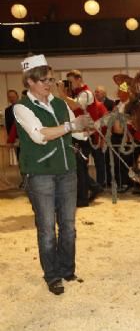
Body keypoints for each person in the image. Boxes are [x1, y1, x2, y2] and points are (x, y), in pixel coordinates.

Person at [13, 54, 94, 295]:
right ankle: (52, 275)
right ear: (29, 81)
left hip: (67, 170)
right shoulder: (21, 107)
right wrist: (72, 126)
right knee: (47, 228)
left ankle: (67, 269)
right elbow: (40, 135)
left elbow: (77, 134)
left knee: (68, 225)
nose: (47, 84)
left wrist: (90, 127)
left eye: (49, 79)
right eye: (41, 80)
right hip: (40, 174)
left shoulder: (60, 104)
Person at [57, 70, 107, 206]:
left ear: (79, 79)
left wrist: (62, 94)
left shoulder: (87, 93)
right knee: (79, 167)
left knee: (79, 167)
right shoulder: (78, 94)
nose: (70, 85)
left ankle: (84, 197)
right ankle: (92, 189)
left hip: (84, 136)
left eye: (71, 81)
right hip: (79, 135)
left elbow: (75, 105)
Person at [4, 90, 20, 158]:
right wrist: (10, 139)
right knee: (18, 156)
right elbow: (8, 125)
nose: (12, 99)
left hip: (25, 137)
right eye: (10, 97)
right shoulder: (7, 110)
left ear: (17, 96)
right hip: (15, 138)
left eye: (13, 97)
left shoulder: (23, 107)